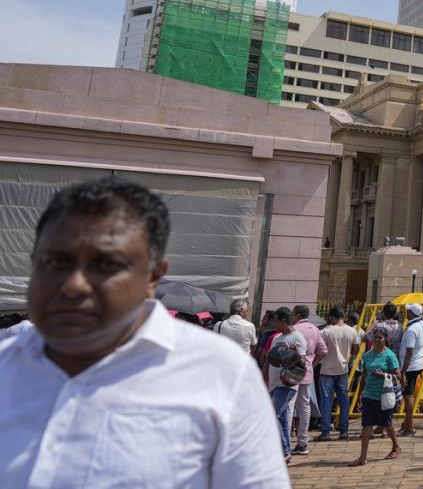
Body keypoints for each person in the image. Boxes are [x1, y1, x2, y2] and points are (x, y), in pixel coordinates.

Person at [0, 176, 289, 487]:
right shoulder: (6, 365)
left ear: (153, 276)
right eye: (56, 262)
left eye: (106, 265)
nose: (73, 285)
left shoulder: (222, 375)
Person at [350, 329, 401, 466]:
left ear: (385, 339)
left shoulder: (390, 356)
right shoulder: (367, 356)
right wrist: (360, 393)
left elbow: (398, 376)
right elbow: (364, 376)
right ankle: (363, 457)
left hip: (383, 395)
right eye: (375, 337)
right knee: (367, 425)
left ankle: (395, 445)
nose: (377, 340)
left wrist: (383, 375)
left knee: (387, 423)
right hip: (368, 395)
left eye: (380, 338)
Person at [267, 307, 306, 463]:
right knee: (282, 419)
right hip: (274, 382)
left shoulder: (298, 338)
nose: (274, 324)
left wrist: (291, 355)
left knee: (272, 415)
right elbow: (269, 359)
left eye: (276, 321)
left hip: (287, 383)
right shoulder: (277, 338)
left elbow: (302, 362)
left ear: (283, 321)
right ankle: (287, 451)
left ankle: (283, 451)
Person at [290, 304, 327, 455]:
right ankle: (302, 441)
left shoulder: (295, 330)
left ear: (297, 315)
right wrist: (313, 362)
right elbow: (323, 350)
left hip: (292, 371)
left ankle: (286, 439)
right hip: (307, 370)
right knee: (304, 406)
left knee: (290, 405)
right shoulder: (314, 329)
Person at [318, 306, 358, 441]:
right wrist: (347, 357)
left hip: (327, 369)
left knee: (326, 401)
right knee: (344, 400)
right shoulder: (352, 331)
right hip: (343, 369)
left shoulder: (325, 332)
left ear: (333, 317)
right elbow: (355, 349)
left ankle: (325, 431)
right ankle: (344, 430)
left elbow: (320, 350)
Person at [398, 302, 423, 436]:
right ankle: (406, 423)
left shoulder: (411, 330)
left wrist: (403, 372)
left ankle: (409, 426)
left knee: (408, 395)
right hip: (417, 363)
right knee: (409, 394)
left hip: (410, 366)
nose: (406, 313)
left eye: (408, 311)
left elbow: (409, 351)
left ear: (412, 314)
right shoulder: (422, 324)